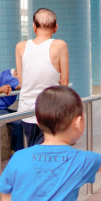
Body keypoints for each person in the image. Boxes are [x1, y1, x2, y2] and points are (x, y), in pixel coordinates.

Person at [16, 8, 69, 147]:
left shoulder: (21, 47)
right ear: (55, 28)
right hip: (50, 110)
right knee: (48, 149)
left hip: (26, 111)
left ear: (34, 27)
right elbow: (64, 82)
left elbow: (21, 81)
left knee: (33, 147)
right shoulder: (60, 45)